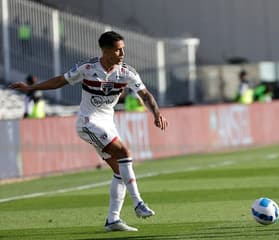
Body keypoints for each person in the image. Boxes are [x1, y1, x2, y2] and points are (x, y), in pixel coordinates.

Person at [10, 31, 168, 232]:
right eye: (118, 50)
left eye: (123, 49)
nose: (122, 53)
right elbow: (60, 81)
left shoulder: (127, 72)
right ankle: (138, 203)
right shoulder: (87, 68)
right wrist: (30, 88)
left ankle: (113, 219)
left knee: (120, 171)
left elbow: (145, 94)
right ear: (106, 50)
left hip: (107, 123)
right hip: (88, 122)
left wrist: (156, 114)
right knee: (125, 154)